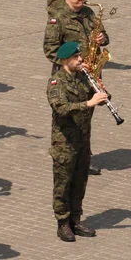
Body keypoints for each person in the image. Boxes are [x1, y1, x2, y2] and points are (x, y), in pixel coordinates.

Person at [48, 42, 108, 242]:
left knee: (80, 181)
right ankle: (63, 223)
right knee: (63, 183)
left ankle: (76, 218)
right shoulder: (56, 82)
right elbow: (61, 108)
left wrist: (100, 91)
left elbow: (98, 99)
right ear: (66, 60)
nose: (81, 60)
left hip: (83, 139)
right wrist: (88, 103)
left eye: (80, 56)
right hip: (65, 142)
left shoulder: (83, 78)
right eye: (76, 57)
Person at [43, 0, 109, 67]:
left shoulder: (88, 12)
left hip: (92, 67)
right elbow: (50, 51)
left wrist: (102, 38)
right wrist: (75, 65)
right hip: (70, 72)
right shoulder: (58, 18)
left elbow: (105, 38)